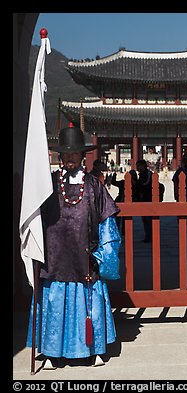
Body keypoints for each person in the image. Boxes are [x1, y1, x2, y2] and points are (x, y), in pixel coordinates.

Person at [26, 124, 121, 370]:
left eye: (74, 154)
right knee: (54, 302)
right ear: (60, 156)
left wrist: (103, 254)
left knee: (89, 302)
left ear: (82, 156)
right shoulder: (47, 186)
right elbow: (34, 220)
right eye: (65, 154)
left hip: (85, 257)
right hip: (54, 257)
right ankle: (50, 351)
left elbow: (107, 222)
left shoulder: (93, 186)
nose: (69, 158)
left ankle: (94, 349)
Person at [134, 159, 152, 242]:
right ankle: (148, 235)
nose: (137, 168)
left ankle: (150, 235)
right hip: (143, 199)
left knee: (149, 219)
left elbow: (145, 184)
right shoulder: (141, 175)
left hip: (148, 198)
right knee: (145, 219)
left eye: (139, 166)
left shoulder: (148, 174)